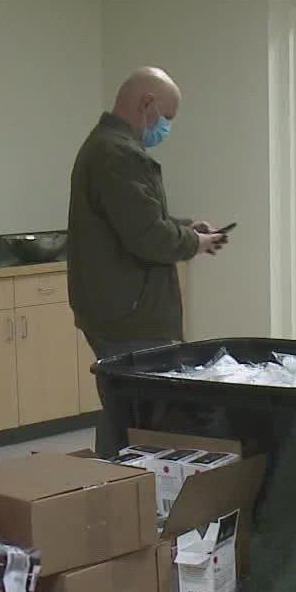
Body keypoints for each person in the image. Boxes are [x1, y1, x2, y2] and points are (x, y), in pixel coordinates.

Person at [68, 67, 229, 453]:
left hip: (118, 309)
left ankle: (120, 490)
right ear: (146, 105)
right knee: (141, 413)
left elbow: (138, 221)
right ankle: (128, 492)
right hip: (131, 314)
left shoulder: (106, 147)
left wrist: (188, 228)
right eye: (167, 117)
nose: (166, 128)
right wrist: (195, 242)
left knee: (124, 405)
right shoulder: (118, 154)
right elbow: (148, 237)